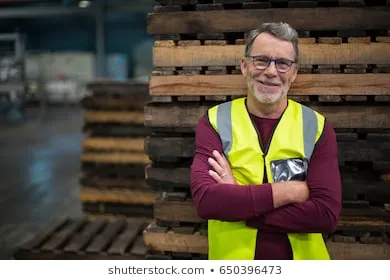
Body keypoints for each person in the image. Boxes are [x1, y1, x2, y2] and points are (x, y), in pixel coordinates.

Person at [190, 22, 342, 260]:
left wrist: (238, 200)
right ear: (244, 66)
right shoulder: (215, 122)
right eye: (261, 60)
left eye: (282, 64)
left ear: (294, 73)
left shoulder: (316, 127)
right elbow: (207, 202)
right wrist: (290, 191)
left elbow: (325, 215)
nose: (271, 72)